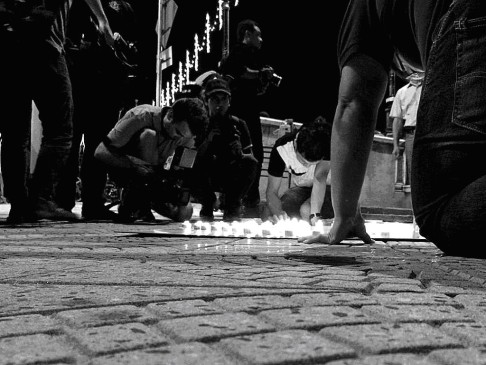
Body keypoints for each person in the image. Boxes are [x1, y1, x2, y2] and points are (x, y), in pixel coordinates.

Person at [301, 0, 486, 258]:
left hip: (471, 17)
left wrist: (344, 215)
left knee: (441, 207)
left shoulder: (362, 8)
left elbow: (356, 101)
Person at [0, 0, 114, 224]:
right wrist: (102, 20)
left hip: (7, 46)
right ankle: (41, 200)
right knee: (60, 129)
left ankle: (19, 205)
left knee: (15, 132)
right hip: (45, 45)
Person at [55, 0, 138, 221]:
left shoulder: (125, 7)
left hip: (108, 82)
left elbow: (130, 46)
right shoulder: (85, 4)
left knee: (98, 144)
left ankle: (93, 202)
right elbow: (70, 36)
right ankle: (63, 200)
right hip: (81, 75)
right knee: (72, 140)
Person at [94, 97, 208, 222]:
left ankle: (142, 201)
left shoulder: (187, 136)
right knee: (149, 136)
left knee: (184, 213)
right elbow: (100, 152)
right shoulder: (140, 116)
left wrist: (173, 186)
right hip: (128, 170)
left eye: (183, 136)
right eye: (177, 132)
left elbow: (184, 172)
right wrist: (137, 166)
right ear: (170, 115)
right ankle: (136, 202)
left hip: (155, 178)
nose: (177, 138)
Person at [219, 19, 275, 210]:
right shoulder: (238, 53)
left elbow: (255, 87)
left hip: (249, 111)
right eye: (257, 35)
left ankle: (248, 196)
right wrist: (261, 74)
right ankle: (240, 197)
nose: (261, 39)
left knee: (253, 153)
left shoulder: (252, 56)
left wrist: (264, 79)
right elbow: (240, 72)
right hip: (240, 113)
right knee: (242, 153)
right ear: (247, 35)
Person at [193, 77, 258, 221]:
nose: (219, 104)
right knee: (192, 166)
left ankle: (232, 205)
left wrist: (240, 152)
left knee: (250, 163)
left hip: (228, 173)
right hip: (205, 174)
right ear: (206, 101)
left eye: (224, 99)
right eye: (215, 99)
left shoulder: (238, 125)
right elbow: (190, 159)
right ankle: (207, 203)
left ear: (229, 101)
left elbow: (251, 159)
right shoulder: (199, 123)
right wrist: (208, 141)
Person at [263, 117, 333, 224]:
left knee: (306, 211)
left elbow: (319, 180)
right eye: (304, 162)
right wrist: (278, 212)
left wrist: (315, 217)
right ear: (295, 144)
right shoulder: (282, 148)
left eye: (313, 164)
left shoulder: (326, 144)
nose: (308, 167)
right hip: (303, 189)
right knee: (269, 211)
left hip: (328, 188)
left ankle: (336, 224)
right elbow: (271, 191)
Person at [390, 72, 423, 185]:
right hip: (411, 135)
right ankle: (414, 202)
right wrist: (395, 144)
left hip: (428, 132)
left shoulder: (429, 88)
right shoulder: (401, 92)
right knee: (413, 171)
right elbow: (397, 119)